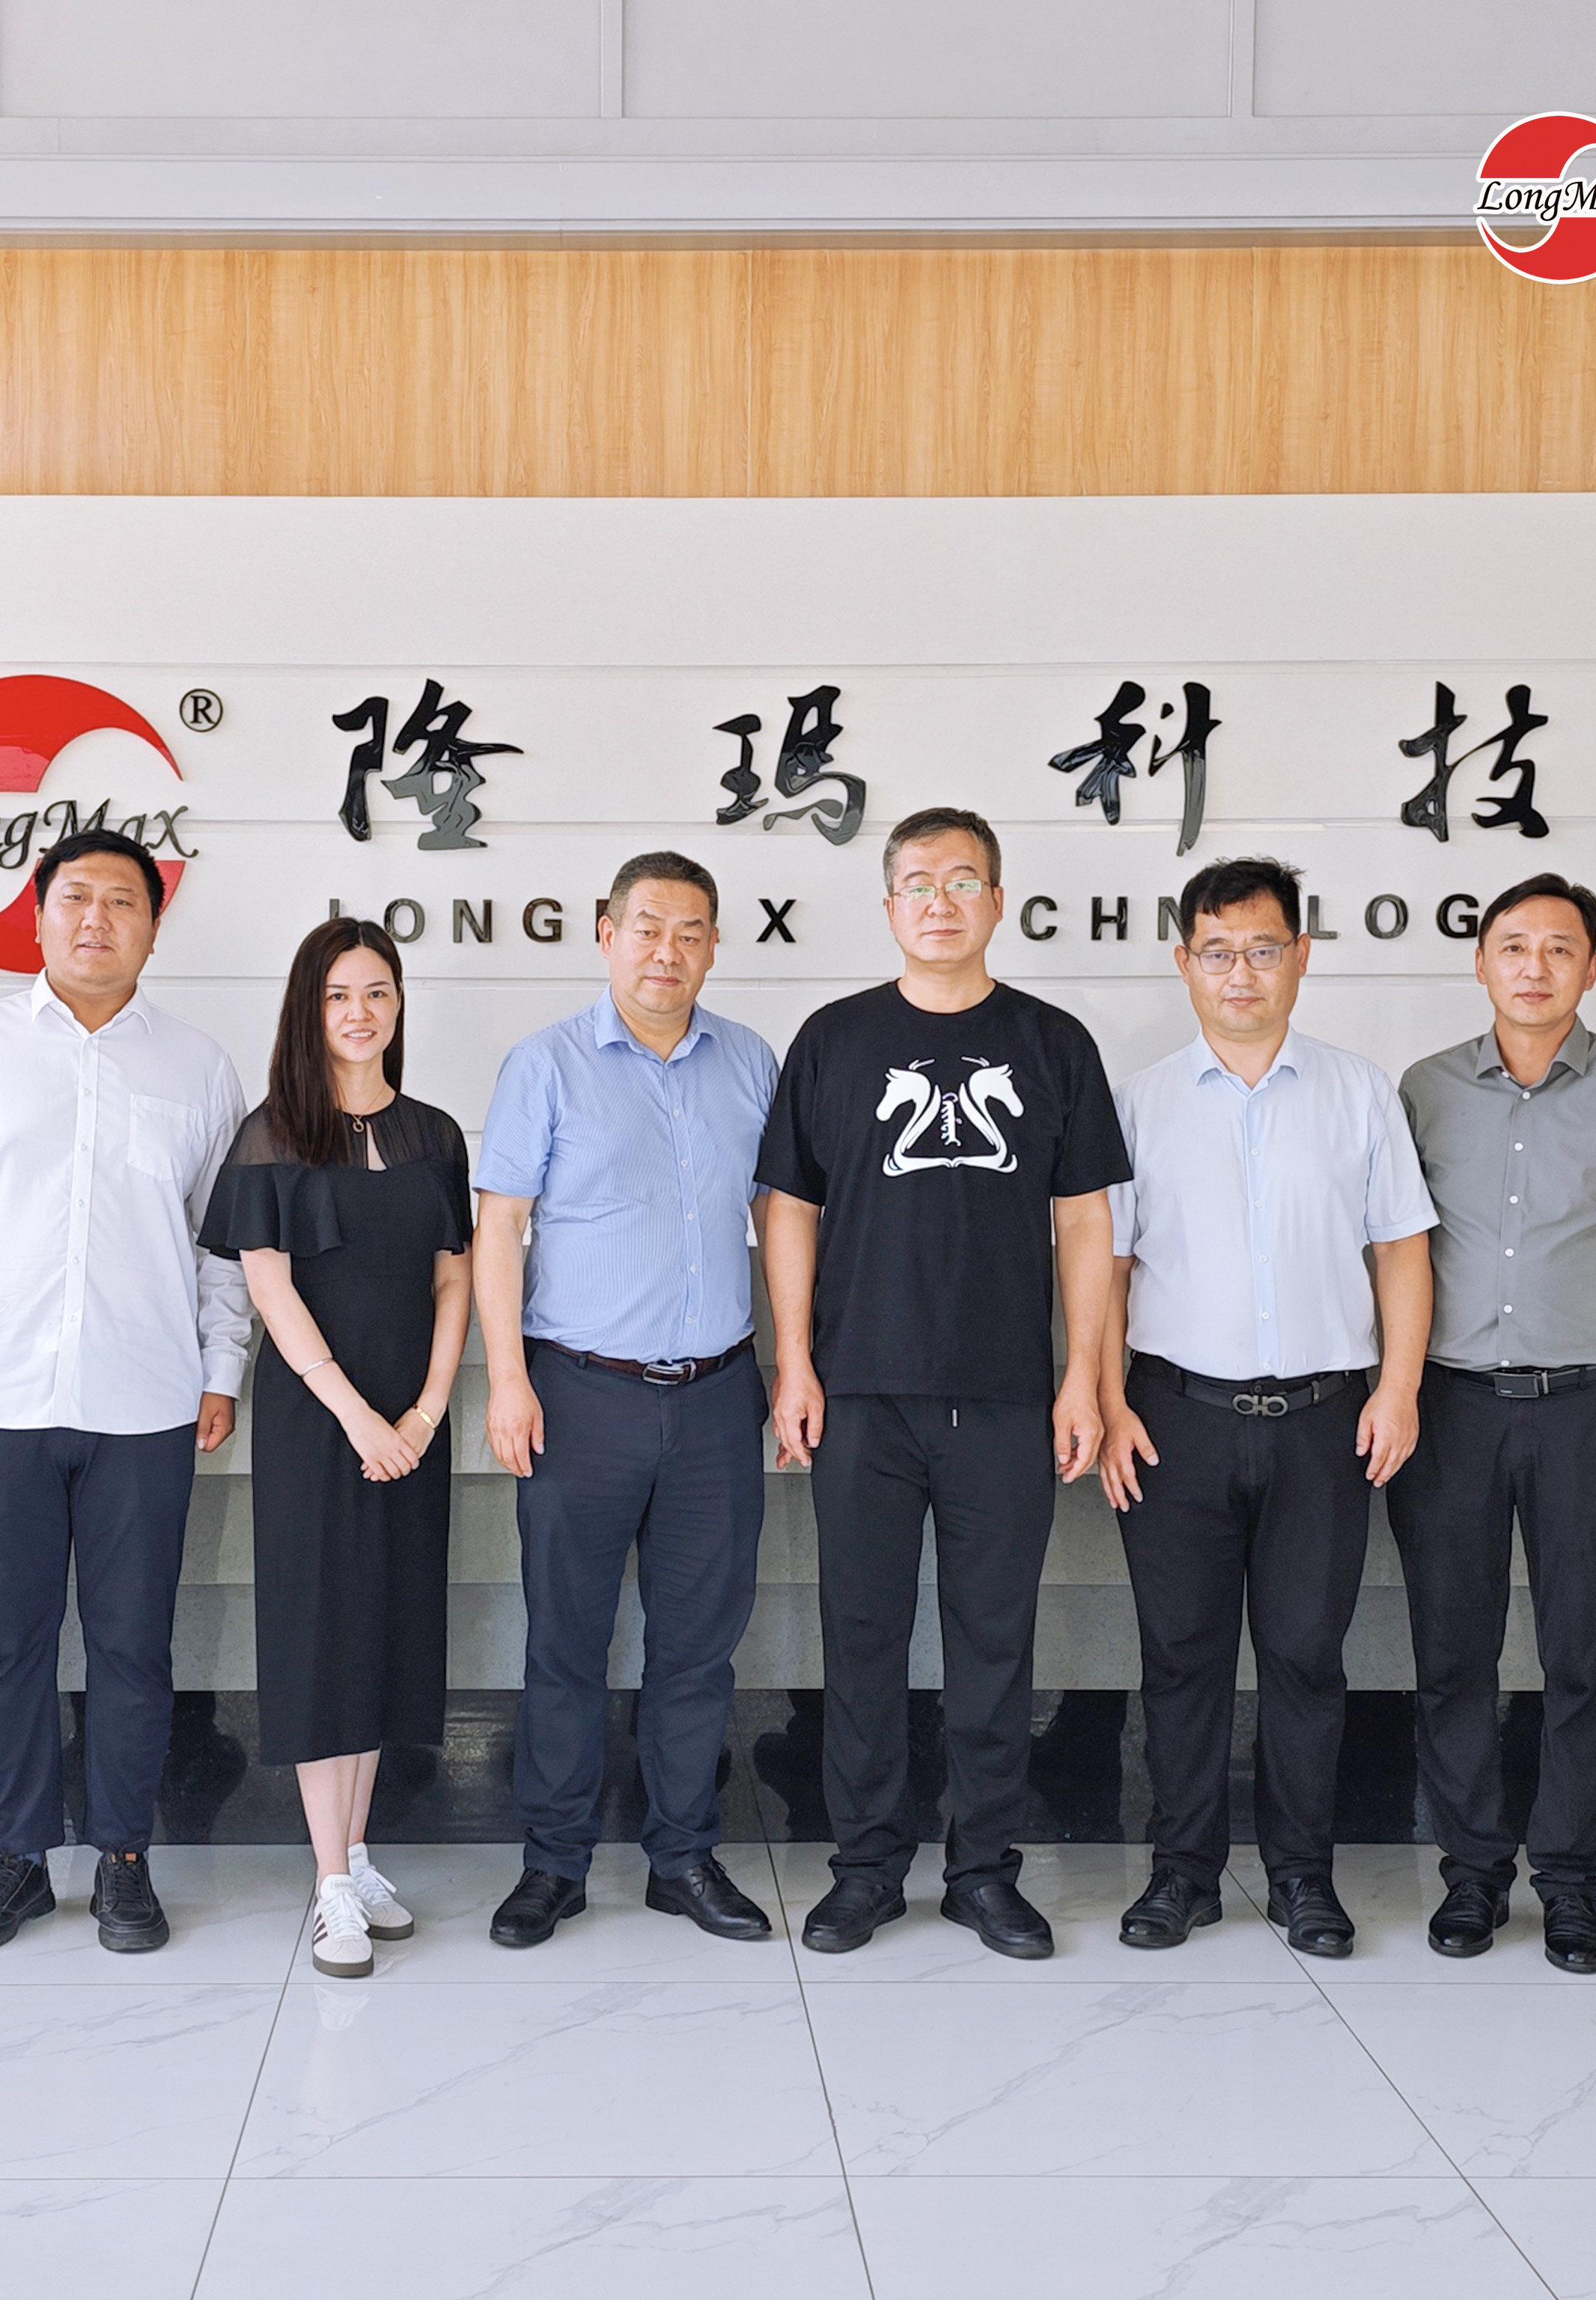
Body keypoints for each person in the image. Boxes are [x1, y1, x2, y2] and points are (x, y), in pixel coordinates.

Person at [759, 806, 1129, 1961]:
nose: (939, 901)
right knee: (862, 1636)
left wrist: (1083, 1379)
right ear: (888, 907)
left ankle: (985, 1873)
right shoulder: (833, 1039)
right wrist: (795, 1362)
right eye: (918, 882)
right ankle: (866, 1869)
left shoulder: (1054, 1041)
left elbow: (1086, 1223)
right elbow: (789, 1210)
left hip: (1008, 1397)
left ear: (997, 903)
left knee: (994, 1643)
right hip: (861, 1392)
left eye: (963, 880)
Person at [0, 830, 250, 1955]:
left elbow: (223, 1241)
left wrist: (222, 1367)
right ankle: (17, 1857)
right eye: (76, 898)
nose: (97, 919)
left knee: (135, 1646)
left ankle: (125, 1858)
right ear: (38, 916)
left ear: (154, 926)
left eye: (122, 901)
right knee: (8, 1644)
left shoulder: (200, 1066)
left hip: (147, 1399)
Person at [1100, 854, 1434, 1961]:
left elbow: (1401, 1250)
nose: (1239, 972)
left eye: (1261, 949)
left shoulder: (1358, 1092)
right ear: (1183, 961)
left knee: (1304, 1657)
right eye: (1217, 951)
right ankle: (1182, 1874)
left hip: (1324, 1421)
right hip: (1172, 1419)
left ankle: (1302, 1878)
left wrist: (1398, 1387)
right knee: (1180, 1658)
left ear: (1301, 955)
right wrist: (1106, 1400)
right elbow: (1104, 1270)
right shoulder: (1140, 1102)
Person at [1389, 873, 1596, 1971]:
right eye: (1514, 946)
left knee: (1584, 1653)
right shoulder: (1425, 1090)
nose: (1535, 967)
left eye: (1559, 948)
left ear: (1591, 967)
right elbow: (1390, 1240)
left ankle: (1572, 1883)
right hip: (1449, 1406)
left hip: (1591, 1408)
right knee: (1452, 1650)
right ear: (1481, 962)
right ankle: (1472, 1874)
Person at [475, 854, 782, 1950]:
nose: (667, 950)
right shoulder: (545, 1064)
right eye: (647, 927)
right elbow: (499, 1229)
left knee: (698, 1646)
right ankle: (553, 1863)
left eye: (690, 931)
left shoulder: (751, 1062)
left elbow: (783, 1221)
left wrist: (795, 1364)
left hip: (716, 1397)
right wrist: (507, 1380)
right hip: (578, 1394)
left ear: (714, 946)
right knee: (566, 1641)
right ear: (605, 933)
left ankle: (683, 1856)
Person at [199, 919, 470, 1977]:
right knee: (324, 1638)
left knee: (385, 1634)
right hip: (320, 1424)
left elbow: (453, 1279)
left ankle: (357, 1857)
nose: (362, 1013)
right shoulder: (271, 1134)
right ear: (308, 1012)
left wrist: (426, 1411)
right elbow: (269, 1289)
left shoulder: (434, 1135)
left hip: (412, 1421)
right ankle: (327, 1886)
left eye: (379, 993)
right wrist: (359, 1417)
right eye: (339, 995)